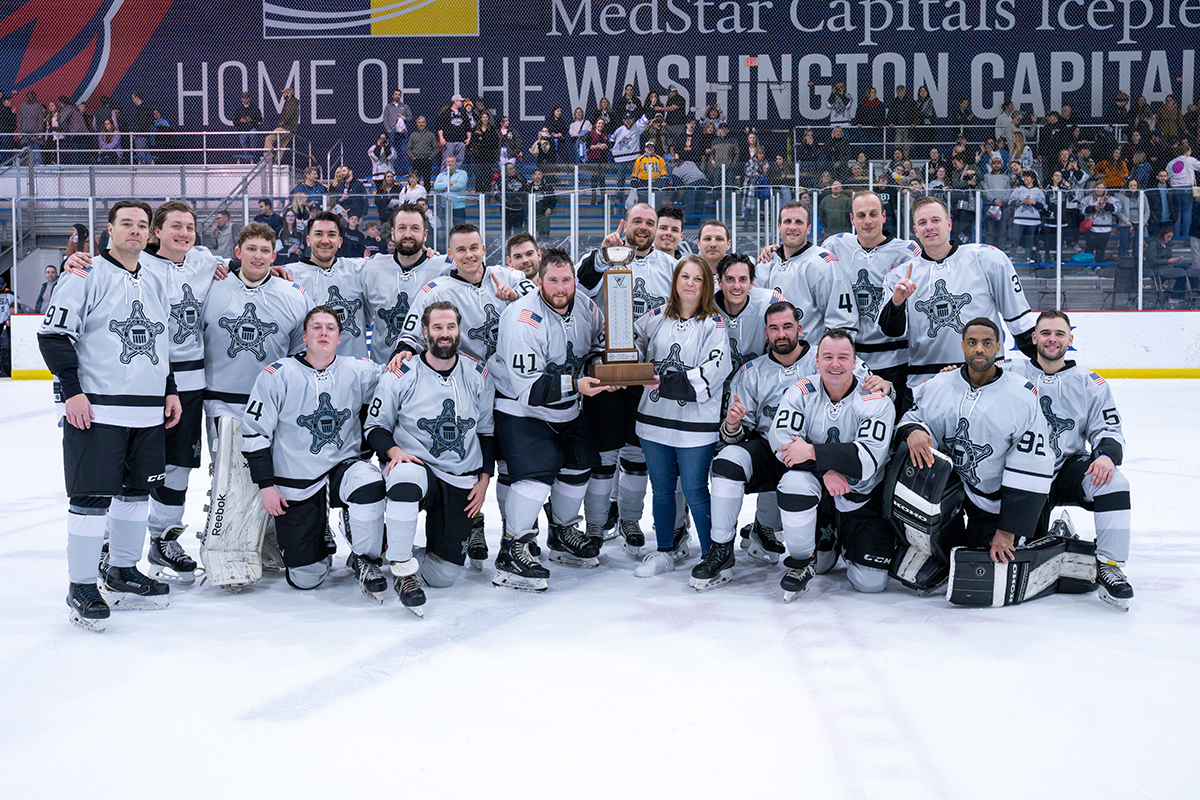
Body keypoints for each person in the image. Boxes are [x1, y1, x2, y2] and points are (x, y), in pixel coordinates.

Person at [37, 200, 179, 631]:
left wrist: (169, 390)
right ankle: (81, 583)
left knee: (136, 496)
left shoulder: (157, 276)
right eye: (127, 224)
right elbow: (54, 336)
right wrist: (73, 393)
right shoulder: (84, 274)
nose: (135, 231)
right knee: (90, 500)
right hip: (98, 409)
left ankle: (121, 569)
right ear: (110, 230)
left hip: (148, 411)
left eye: (141, 225)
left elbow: (162, 341)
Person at [895, 318, 1052, 588]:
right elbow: (912, 416)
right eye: (972, 343)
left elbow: (1033, 465)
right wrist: (913, 430)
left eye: (987, 343)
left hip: (995, 499)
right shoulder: (938, 385)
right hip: (950, 490)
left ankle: (1037, 532)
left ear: (998, 348)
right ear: (962, 347)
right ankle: (939, 552)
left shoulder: (1021, 396)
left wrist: (1008, 529)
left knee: (988, 566)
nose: (979, 349)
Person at [242, 306, 387, 594]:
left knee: (369, 482)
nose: (324, 332)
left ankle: (365, 556)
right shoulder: (277, 375)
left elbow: (399, 382)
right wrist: (266, 485)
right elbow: (254, 432)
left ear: (339, 337)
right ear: (305, 336)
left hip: (342, 466)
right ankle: (318, 527)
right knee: (305, 579)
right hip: (295, 479)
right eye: (317, 327)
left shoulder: (358, 369)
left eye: (330, 328)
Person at [488, 250, 609, 589]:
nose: (560, 287)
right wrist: (580, 383)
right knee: (536, 474)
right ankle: (512, 547)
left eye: (566, 279)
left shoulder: (586, 307)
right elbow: (529, 390)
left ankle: (561, 532)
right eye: (552, 280)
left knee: (580, 462)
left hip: (566, 407)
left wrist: (600, 367)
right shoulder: (522, 317)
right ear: (539, 281)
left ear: (574, 280)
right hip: (522, 408)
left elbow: (599, 345)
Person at [364, 301, 493, 608]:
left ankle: (391, 545)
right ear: (425, 332)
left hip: (460, 476)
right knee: (406, 474)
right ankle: (402, 568)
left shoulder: (478, 373)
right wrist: (395, 452)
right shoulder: (401, 372)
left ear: (459, 331)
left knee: (443, 576)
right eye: (437, 327)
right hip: (418, 467)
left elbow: (487, 431)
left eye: (451, 327)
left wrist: (485, 479)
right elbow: (374, 426)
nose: (444, 334)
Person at [1005, 311, 1134, 608]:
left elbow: (1109, 429)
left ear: (1070, 340)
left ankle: (1109, 566)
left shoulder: (1091, 383)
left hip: (1066, 469)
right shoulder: (1010, 371)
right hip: (1019, 473)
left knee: (1114, 483)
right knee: (1020, 556)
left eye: (1059, 334)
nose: (1053, 339)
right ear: (1034, 338)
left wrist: (1104, 456)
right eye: (1046, 333)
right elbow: (972, 378)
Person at [761, 329, 895, 599]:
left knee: (870, 583)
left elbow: (865, 461)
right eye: (828, 357)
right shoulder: (801, 391)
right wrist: (826, 471)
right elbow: (784, 448)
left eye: (843, 357)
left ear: (855, 362)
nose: (835, 364)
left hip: (863, 497)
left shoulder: (875, 399)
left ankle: (848, 537)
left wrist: (812, 451)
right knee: (793, 482)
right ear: (816, 361)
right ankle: (803, 561)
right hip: (822, 492)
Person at [576, 204, 679, 552]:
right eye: (637, 221)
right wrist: (602, 257)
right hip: (606, 371)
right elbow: (581, 284)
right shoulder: (605, 256)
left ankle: (630, 520)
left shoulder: (671, 265)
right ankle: (594, 525)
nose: (644, 227)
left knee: (637, 454)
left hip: (648, 372)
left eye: (650, 223)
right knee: (605, 453)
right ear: (626, 223)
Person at [631, 255, 731, 577]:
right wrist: (625, 353)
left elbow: (715, 371)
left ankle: (711, 554)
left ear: (706, 286)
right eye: (684, 277)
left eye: (697, 279)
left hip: (695, 426)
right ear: (675, 281)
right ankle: (663, 551)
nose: (690, 283)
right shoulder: (657, 315)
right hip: (653, 419)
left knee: (695, 490)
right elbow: (631, 341)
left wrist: (661, 381)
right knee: (660, 489)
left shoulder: (714, 323)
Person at [880, 196, 1037, 389]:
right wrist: (896, 303)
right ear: (915, 231)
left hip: (984, 380)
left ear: (949, 224)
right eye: (922, 222)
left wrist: (1049, 365)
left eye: (935, 220)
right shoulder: (900, 276)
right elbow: (891, 333)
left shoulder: (987, 259)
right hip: (926, 384)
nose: (929, 227)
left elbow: (1020, 323)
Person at [822, 190, 922, 411]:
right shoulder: (835, 245)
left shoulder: (907, 252)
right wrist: (776, 251)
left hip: (896, 359)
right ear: (852, 219)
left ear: (884, 216)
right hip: (852, 360)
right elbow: (806, 260)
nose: (867, 221)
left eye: (873, 214)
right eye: (861, 215)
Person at [396, 224, 533, 365]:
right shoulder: (436, 292)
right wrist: (404, 351)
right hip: (466, 379)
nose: (469, 255)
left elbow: (540, 303)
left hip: (514, 374)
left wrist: (515, 297)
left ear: (483, 249)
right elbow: (410, 336)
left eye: (474, 248)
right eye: (461, 250)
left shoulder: (509, 276)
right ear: (451, 254)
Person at [755, 201, 857, 346]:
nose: (792, 227)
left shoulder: (823, 264)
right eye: (787, 222)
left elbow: (842, 322)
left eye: (799, 222)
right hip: (773, 358)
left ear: (808, 229)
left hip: (809, 358)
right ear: (779, 227)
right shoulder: (766, 263)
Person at [362, 203, 452, 365]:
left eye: (415, 228)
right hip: (382, 371)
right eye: (402, 228)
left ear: (425, 235)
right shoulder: (372, 267)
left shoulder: (444, 268)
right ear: (393, 233)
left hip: (428, 372)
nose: (408, 234)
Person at [290, 211, 371, 357]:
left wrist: (422, 255)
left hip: (355, 374)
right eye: (319, 234)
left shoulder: (358, 270)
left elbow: (393, 265)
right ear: (308, 240)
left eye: (332, 235)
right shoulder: (290, 276)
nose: (325, 240)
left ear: (340, 242)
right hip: (309, 374)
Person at [432, 155, 469, 233]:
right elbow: (436, 186)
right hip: (444, 207)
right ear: (445, 163)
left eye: (452, 161)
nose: (450, 163)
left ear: (456, 163)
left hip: (458, 207)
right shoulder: (441, 175)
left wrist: (444, 186)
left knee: (459, 230)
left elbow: (459, 186)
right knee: (446, 231)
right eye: (448, 161)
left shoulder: (462, 173)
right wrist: (450, 183)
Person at [263, 86, 299, 162]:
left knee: (269, 139)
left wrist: (282, 123)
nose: (283, 95)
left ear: (289, 94)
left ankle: (267, 160)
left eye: (285, 93)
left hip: (285, 128)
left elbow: (288, 116)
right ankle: (276, 163)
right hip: (291, 130)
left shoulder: (291, 103)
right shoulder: (294, 103)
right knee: (281, 147)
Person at [437, 94, 472, 167]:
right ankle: (445, 177)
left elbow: (468, 128)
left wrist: (468, 138)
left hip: (461, 142)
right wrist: (441, 138)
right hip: (449, 142)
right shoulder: (446, 113)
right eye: (460, 101)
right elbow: (440, 127)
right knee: (447, 161)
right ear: (455, 101)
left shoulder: (463, 114)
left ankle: (456, 177)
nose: (462, 103)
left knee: (459, 162)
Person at [406, 116, 438, 189]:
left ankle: (426, 194)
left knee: (427, 179)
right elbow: (408, 149)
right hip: (416, 160)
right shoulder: (413, 135)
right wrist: (413, 157)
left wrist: (430, 157)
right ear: (417, 124)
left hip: (427, 160)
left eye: (423, 122)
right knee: (415, 179)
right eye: (419, 122)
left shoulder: (430, 135)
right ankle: (415, 193)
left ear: (425, 124)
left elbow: (436, 148)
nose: (421, 124)